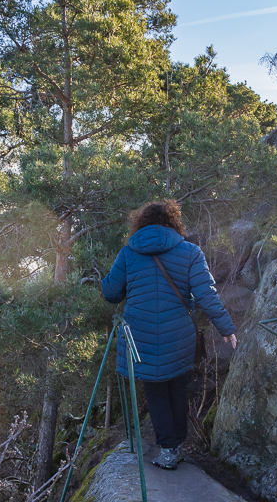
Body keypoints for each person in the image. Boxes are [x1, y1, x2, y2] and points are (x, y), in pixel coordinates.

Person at [101, 200, 238, 469]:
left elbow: (110, 293)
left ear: (141, 224)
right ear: (173, 223)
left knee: (155, 392)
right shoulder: (190, 252)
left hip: (141, 337)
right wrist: (226, 327)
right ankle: (176, 446)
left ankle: (167, 451)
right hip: (179, 335)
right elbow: (205, 294)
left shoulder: (128, 253)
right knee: (177, 388)